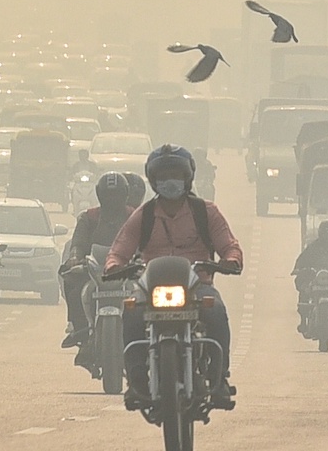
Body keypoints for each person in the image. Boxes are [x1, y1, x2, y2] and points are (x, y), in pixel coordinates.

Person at [106, 144, 243, 410]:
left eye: (176, 175)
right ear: (154, 181)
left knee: (216, 311)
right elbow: (119, 249)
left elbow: (229, 245)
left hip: (197, 286)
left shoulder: (206, 212)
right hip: (150, 288)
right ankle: (135, 380)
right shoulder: (143, 215)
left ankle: (220, 378)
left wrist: (231, 260)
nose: (170, 182)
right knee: (132, 313)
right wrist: (113, 265)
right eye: (163, 176)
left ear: (187, 178)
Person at [61, 172, 134, 351]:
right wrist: (74, 258)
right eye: (108, 194)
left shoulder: (134, 216)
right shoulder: (89, 217)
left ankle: (143, 333)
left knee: (148, 292)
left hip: (128, 269)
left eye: (116, 194)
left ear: (125, 194)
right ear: (100, 195)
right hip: (94, 269)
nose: (112, 199)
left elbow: (146, 241)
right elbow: (78, 241)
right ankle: (81, 332)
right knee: (73, 284)